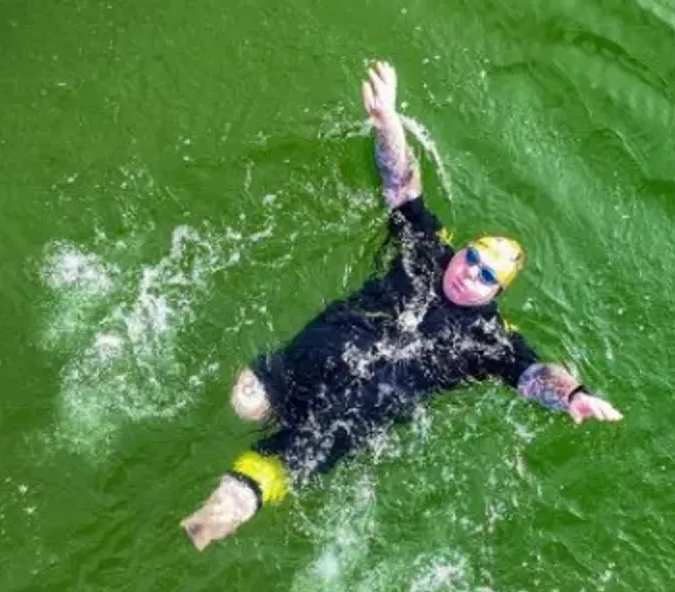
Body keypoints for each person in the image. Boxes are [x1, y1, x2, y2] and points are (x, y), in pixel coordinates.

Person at [181, 61, 622, 551]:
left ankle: (185, 539)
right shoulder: (427, 251)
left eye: (485, 276)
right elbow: (402, 186)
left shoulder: (490, 341)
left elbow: (533, 374)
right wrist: (388, 120)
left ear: (496, 292)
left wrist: (572, 395)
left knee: (239, 499)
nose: (469, 272)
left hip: (343, 420)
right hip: (298, 367)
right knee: (242, 404)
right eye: (471, 258)